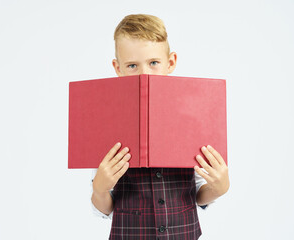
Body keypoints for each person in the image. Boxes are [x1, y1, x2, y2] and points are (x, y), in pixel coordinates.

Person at [90, 14, 230, 240]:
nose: (144, 73)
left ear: (170, 62)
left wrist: (219, 187)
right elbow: (104, 208)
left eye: (153, 63)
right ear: (118, 68)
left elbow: (197, 194)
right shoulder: (109, 121)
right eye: (132, 65)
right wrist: (99, 188)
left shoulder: (192, 117)